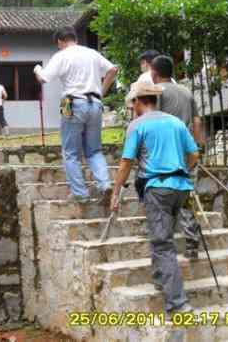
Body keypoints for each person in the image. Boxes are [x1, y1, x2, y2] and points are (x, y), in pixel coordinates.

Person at [110, 81, 199, 316]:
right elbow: (194, 154)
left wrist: (116, 192)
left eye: (133, 103)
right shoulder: (176, 122)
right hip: (181, 187)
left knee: (162, 243)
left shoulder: (137, 125)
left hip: (157, 188)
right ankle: (161, 278)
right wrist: (180, 169)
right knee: (163, 235)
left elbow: (126, 162)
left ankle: (179, 304)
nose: (133, 107)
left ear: (138, 102)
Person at [34, 27, 119, 203]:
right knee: (94, 150)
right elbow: (113, 70)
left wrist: (37, 70)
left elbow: (44, 78)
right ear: (75, 38)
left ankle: (80, 193)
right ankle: (105, 184)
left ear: (60, 41)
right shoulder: (92, 53)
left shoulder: (61, 55)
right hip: (95, 102)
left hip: (69, 101)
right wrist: (101, 92)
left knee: (70, 152)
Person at [150, 55, 205, 260]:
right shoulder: (186, 91)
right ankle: (191, 244)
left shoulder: (157, 92)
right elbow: (197, 122)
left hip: (167, 154)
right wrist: (197, 147)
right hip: (187, 151)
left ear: (154, 73)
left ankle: (165, 244)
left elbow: (153, 121)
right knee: (187, 197)